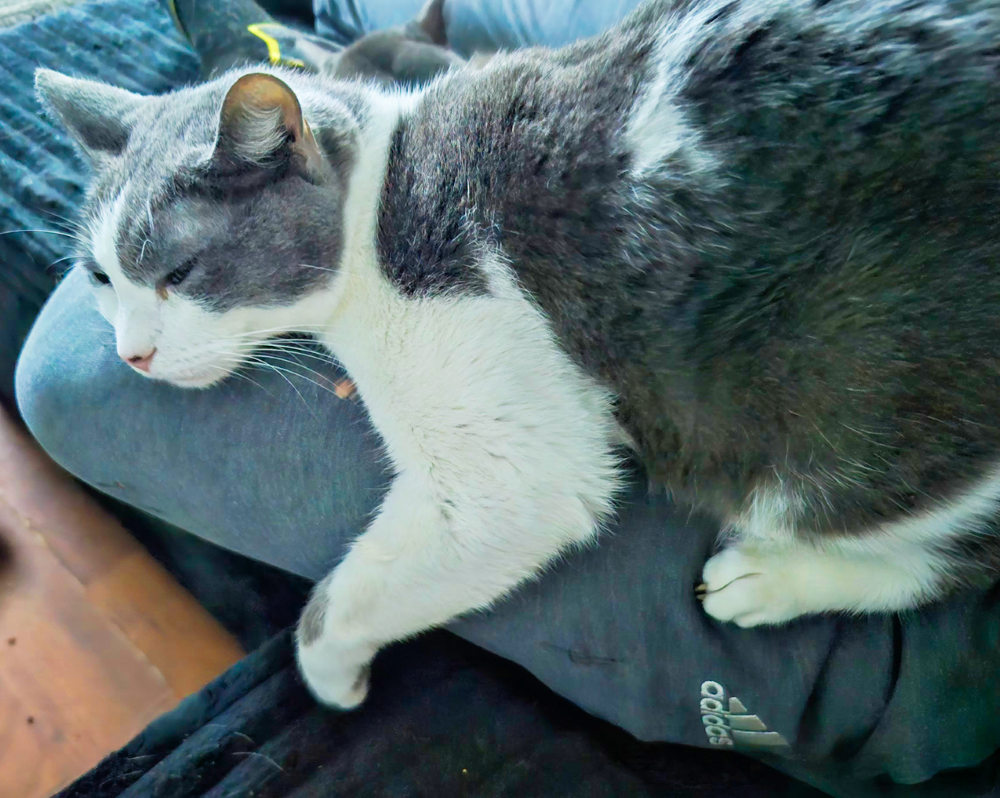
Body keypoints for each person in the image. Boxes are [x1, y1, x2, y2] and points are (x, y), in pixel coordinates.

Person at [14, 1, 1000, 796]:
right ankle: (294, 62)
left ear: (293, 159)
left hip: (904, 397)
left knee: (64, 379)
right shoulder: (472, 121)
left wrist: (338, 633)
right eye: (107, 281)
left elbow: (509, 505)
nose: (133, 346)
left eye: (175, 281)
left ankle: (904, 571)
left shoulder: (421, 267)